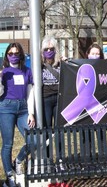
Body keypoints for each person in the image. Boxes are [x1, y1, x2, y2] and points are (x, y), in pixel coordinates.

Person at [0, 42, 35, 187]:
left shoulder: (26, 70)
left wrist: (31, 113)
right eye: (10, 54)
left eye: (16, 53)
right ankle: (9, 175)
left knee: (34, 140)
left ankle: (18, 160)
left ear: (21, 54)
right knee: (8, 144)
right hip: (6, 107)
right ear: (6, 55)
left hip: (23, 109)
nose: (13, 56)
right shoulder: (4, 71)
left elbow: (30, 92)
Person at [41, 36, 61, 129]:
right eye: (46, 49)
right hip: (45, 98)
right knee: (47, 126)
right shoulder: (40, 64)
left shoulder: (61, 63)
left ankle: (59, 144)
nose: (49, 51)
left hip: (59, 98)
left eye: (51, 49)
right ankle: (47, 144)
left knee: (59, 127)